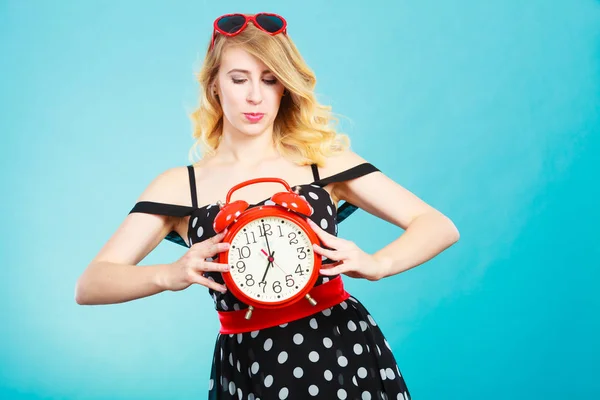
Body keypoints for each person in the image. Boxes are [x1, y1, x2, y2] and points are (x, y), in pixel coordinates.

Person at [75, 12, 460, 400]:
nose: (255, 95)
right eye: (239, 79)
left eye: (270, 79)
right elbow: (91, 284)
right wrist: (169, 274)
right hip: (249, 363)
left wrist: (379, 264)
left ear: (285, 88)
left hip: (341, 348)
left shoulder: (323, 162)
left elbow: (437, 225)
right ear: (214, 87)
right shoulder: (181, 187)